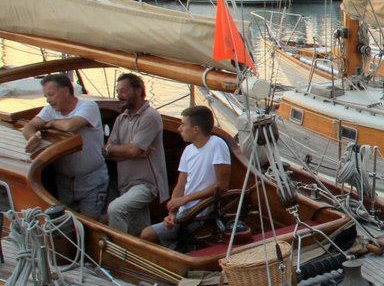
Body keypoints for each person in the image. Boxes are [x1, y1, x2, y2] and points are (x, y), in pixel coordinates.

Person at [141, 105, 231, 247]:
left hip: (199, 213)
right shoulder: (188, 150)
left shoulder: (217, 145)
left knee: (146, 235)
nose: (179, 129)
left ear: (196, 129)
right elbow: (180, 185)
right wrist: (172, 214)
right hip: (184, 212)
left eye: (183, 124)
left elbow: (222, 186)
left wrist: (185, 199)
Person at [23, 74, 108, 218]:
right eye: (46, 96)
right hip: (64, 182)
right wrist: (33, 138)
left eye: (51, 94)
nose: (48, 100)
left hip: (91, 181)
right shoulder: (50, 110)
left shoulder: (88, 106)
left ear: (66, 91)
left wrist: (51, 124)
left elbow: (70, 125)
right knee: (67, 223)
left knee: (91, 222)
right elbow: (29, 126)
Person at [103, 73, 169, 235]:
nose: (119, 96)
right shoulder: (121, 119)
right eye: (118, 91)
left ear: (138, 90)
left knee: (115, 209)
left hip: (146, 185)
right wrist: (128, 151)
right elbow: (107, 151)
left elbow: (133, 150)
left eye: (124, 91)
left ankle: (118, 252)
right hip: (126, 185)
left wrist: (127, 150)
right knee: (139, 231)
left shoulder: (150, 116)